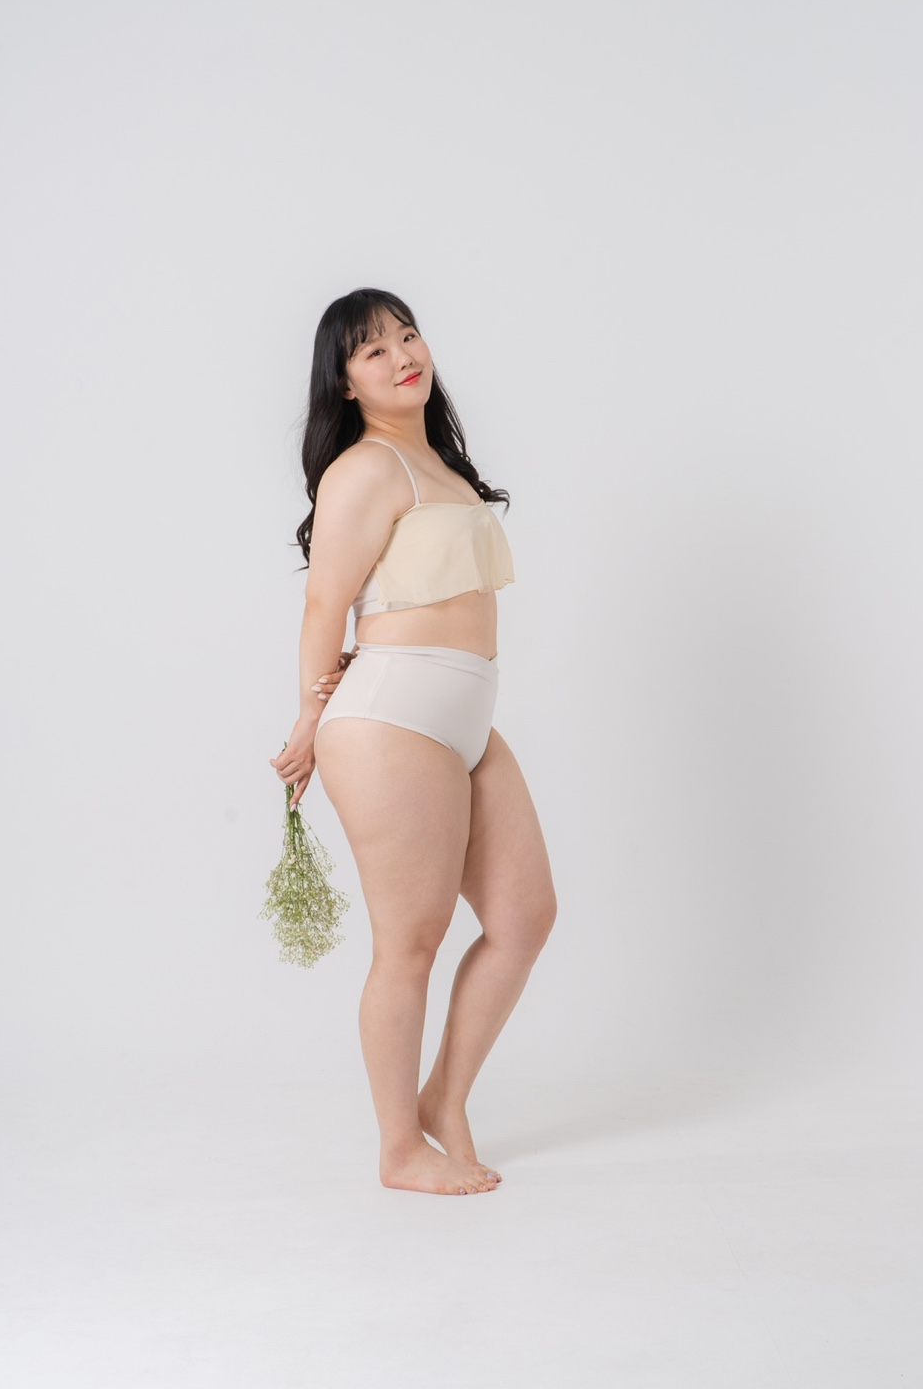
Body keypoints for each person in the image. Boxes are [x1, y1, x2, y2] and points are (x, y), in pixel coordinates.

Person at [269, 289, 556, 1196]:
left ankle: (444, 1099)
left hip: (464, 714)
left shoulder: (440, 466)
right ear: (344, 384)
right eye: (372, 351)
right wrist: (311, 715)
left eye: (406, 335)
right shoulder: (365, 468)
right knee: (412, 943)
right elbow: (325, 600)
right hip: (393, 716)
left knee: (523, 920)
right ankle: (399, 1149)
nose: (401, 356)